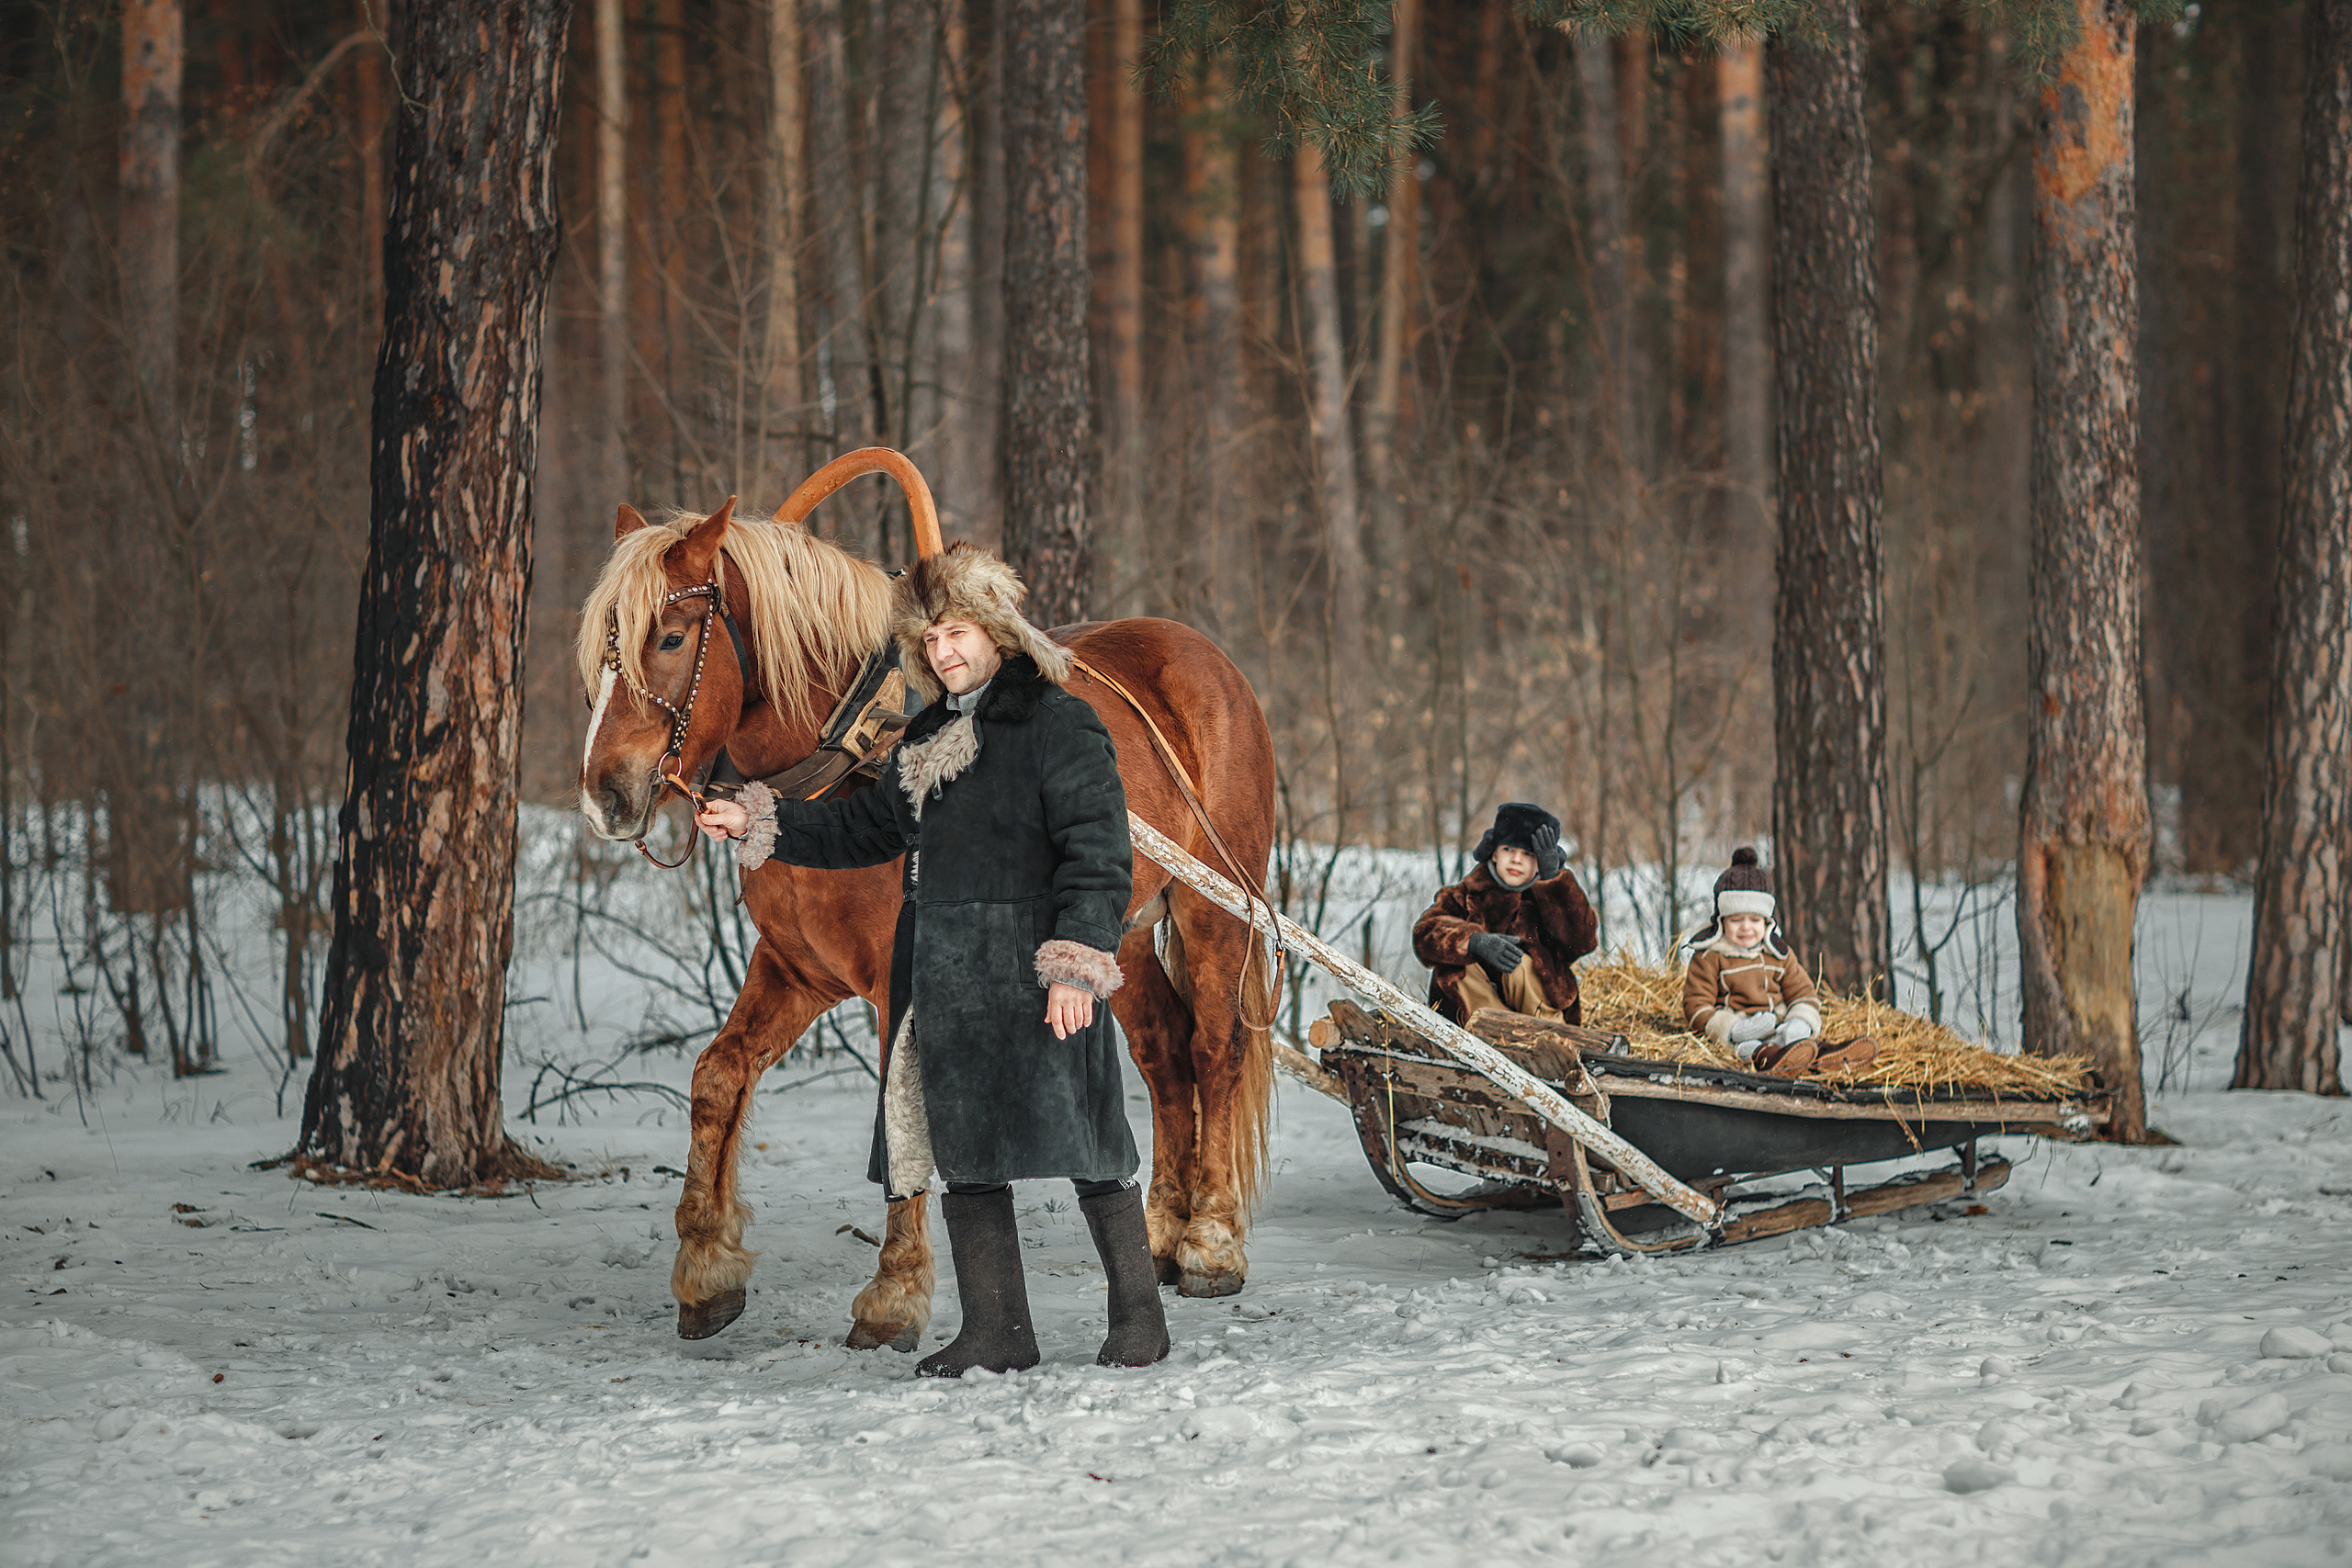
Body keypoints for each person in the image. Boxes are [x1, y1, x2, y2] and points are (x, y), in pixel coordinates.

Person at [692, 542, 1168, 1376]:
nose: (945, 652)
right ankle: (998, 1330)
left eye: (957, 632)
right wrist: (757, 820)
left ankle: (1139, 1319)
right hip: (946, 974)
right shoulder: (926, 735)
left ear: (995, 630)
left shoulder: (1060, 723)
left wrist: (1077, 962)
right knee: (966, 1153)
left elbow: (1098, 855)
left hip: (1036, 967)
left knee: (1091, 1143)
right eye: (931, 639)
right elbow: (863, 829)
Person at [1681, 847, 1877, 1077]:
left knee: (1798, 1038)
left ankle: (1824, 1055)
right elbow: (1696, 1005)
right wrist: (1733, 1028)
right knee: (1748, 1049)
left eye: (1755, 920)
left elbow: (1803, 992)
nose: (1746, 927)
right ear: (1721, 921)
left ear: (1767, 922)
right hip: (1741, 1035)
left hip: (1780, 1026)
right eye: (1736, 920)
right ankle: (1772, 1058)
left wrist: (1800, 1021)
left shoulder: (1778, 953)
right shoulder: (1709, 956)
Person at [1411, 803, 1599, 1027]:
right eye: (1508, 850)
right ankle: (1488, 1032)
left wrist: (1553, 881)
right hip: (1476, 1014)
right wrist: (1474, 941)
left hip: (1537, 1015)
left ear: (1540, 862)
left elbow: (1582, 942)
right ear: (1494, 854)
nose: (1516, 860)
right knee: (1456, 965)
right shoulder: (1466, 894)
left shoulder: (1548, 900)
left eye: (1528, 854)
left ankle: (1548, 1035)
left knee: (1521, 966)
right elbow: (1424, 933)